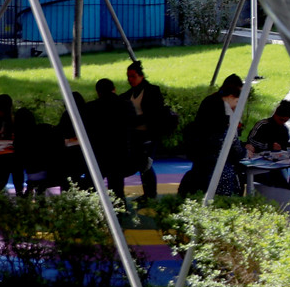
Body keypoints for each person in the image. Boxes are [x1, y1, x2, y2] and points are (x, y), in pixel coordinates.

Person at [179, 75, 245, 197]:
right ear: (231, 96)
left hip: (202, 159)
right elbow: (229, 138)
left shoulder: (211, 101)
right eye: (237, 101)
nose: (237, 104)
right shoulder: (221, 110)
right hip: (216, 164)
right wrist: (243, 152)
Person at [124, 61, 174, 198]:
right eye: (128, 77)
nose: (130, 80)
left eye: (133, 76)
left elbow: (154, 113)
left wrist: (136, 120)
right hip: (135, 134)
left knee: (146, 164)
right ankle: (148, 193)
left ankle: (150, 194)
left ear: (141, 76)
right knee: (141, 164)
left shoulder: (153, 91)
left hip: (149, 133)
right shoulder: (129, 94)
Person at [86, 78, 136, 194]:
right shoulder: (126, 105)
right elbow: (133, 125)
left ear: (98, 92)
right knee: (117, 188)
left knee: (91, 185)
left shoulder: (90, 107)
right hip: (120, 153)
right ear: (114, 89)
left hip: (99, 154)